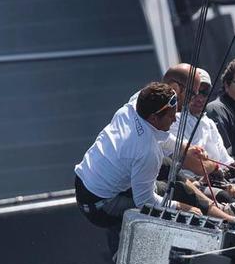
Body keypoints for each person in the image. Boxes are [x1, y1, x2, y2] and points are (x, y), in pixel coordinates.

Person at [73, 82, 179, 251]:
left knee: (166, 173)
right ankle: (122, 247)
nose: (175, 119)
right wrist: (179, 206)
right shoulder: (148, 151)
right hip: (97, 207)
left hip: (85, 182)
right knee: (167, 192)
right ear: (153, 118)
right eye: (171, 116)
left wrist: (185, 146)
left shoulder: (133, 106)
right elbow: (146, 202)